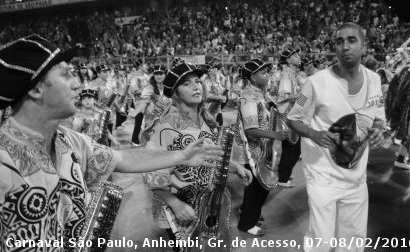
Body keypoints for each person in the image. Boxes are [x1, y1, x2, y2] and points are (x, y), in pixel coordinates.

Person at [0, 35, 223, 252]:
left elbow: (122, 158)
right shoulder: (3, 159)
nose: (77, 84)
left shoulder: (69, 140)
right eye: (66, 75)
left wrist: (181, 156)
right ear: (36, 89)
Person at [287, 23, 385, 252]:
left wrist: (379, 130)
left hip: (356, 177)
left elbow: (377, 118)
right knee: (321, 242)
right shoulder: (314, 83)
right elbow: (292, 118)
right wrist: (313, 133)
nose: (345, 46)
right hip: (323, 177)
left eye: (351, 40)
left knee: (353, 241)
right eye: (339, 42)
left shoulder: (374, 80)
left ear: (363, 46)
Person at [143, 61, 252, 251]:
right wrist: (175, 204)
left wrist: (236, 167)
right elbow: (152, 176)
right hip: (181, 209)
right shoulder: (165, 129)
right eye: (187, 84)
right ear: (174, 94)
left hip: (207, 203)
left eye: (197, 81)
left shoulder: (205, 119)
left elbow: (212, 153)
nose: (196, 87)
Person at [232, 59, 291, 236]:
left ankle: (249, 212)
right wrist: (275, 135)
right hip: (252, 148)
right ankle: (246, 223)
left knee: (255, 187)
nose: (268, 75)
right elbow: (251, 130)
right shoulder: (249, 97)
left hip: (261, 147)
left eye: (268, 72)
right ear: (252, 76)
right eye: (263, 73)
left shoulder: (259, 93)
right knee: (258, 187)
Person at [277, 49, 302, 188]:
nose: (298, 57)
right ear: (288, 60)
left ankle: (283, 174)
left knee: (293, 148)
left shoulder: (291, 74)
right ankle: (282, 178)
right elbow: (282, 96)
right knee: (291, 147)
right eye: (295, 56)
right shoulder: (286, 75)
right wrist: (302, 95)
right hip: (287, 114)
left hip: (292, 113)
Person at [137, 64, 171, 146]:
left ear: (165, 75)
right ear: (153, 75)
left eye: (161, 74)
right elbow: (143, 103)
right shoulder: (149, 87)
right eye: (156, 74)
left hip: (167, 120)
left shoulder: (170, 87)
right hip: (152, 120)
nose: (159, 76)